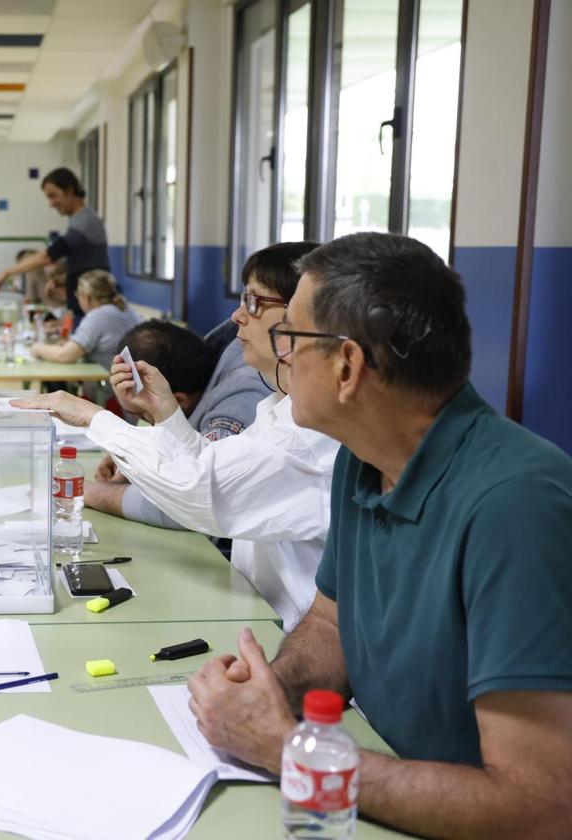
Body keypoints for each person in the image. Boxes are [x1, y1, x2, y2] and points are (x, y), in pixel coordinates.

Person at [186, 232, 572, 837]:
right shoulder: (362, 456)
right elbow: (332, 625)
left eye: (290, 338)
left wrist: (290, 753)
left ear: (347, 366)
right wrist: (272, 692)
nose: (280, 355)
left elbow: (542, 806)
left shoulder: (515, 506)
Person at [13, 242, 336, 631]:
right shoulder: (279, 403)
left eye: (253, 302)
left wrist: (94, 418)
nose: (236, 316)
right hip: (258, 613)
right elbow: (212, 463)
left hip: (290, 632)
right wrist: (166, 413)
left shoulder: (310, 432)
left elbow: (200, 490)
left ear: (302, 316)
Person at [87, 319, 266, 527]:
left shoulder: (238, 404)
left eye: (143, 415)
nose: (238, 314)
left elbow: (192, 503)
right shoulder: (201, 361)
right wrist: (134, 454)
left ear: (179, 401)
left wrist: (94, 493)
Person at [0, 168, 109, 324]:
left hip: (93, 309)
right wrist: (58, 281)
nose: (51, 204)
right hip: (82, 307)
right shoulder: (77, 221)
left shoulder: (85, 221)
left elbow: (48, 256)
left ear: (70, 191)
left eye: (53, 196)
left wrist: (7, 272)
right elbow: (80, 261)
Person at [30, 270, 141, 369]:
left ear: (86, 297)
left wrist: (36, 348)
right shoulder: (125, 309)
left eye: (78, 294)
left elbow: (64, 355)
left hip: (107, 388)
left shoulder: (98, 316)